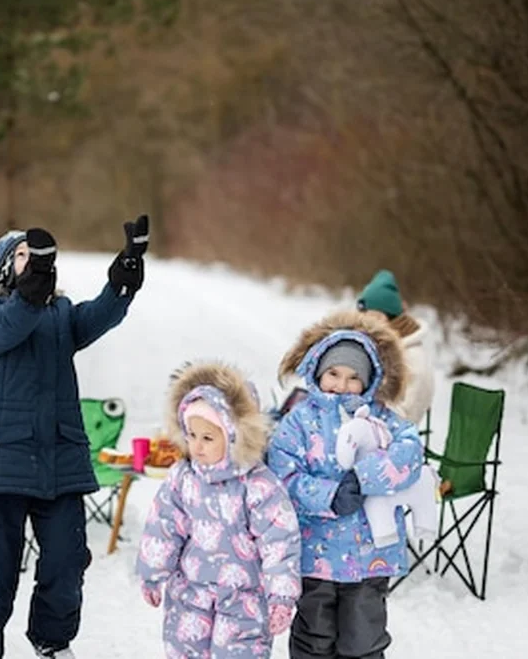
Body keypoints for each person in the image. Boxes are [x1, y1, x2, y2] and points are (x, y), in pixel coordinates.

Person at [0, 215, 150, 659]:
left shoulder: (60, 315)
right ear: (5, 269)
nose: (32, 261)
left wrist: (123, 277)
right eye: (21, 256)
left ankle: (52, 642)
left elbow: (98, 316)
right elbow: (8, 328)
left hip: (59, 462)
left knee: (67, 564)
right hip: (1, 466)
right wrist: (30, 294)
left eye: (36, 255)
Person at [267, 310, 423, 659]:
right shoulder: (299, 421)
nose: (341, 384)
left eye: (354, 377)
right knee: (313, 638)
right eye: (334, 374)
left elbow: (410, 455)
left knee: (362, 639)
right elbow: (282, 476)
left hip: (370, 558)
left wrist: (365, 476)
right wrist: (329, 495)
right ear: (318, 372)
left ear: (369, 381)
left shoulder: (383, 418)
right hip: (314, 555)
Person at [137, 361, 302, 658]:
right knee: (184, 649)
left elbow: (279, 541)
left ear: (235, 436)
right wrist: (152, 573)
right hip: (190, 592)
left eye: (208, 438)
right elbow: (163, 526)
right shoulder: (184, 477)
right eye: (191, 435)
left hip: (244, 599)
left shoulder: (259, 485)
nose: (197, 446)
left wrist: (282, 595)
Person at [357, 269, 435, 426]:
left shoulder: (413, 358)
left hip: (391, 438)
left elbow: (407, 416)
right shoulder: (380, 348)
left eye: (371, 317)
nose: (364, 325)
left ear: (387, 318)